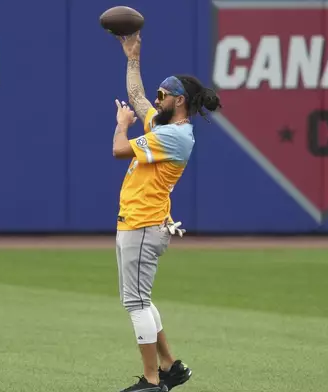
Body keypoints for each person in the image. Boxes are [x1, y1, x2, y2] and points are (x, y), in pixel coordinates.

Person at [111, 31, 222, 392]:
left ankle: (152, 380)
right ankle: (171, 367)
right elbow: (137, 97)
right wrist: (132, 56)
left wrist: (121, 125)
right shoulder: (165, 126)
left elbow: (119, 150)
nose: (155, 99)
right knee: (142, 300)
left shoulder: (174, 136)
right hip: (141, 221)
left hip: (144, 224)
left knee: (136, 303)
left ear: (179, 100)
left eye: (163, 95)